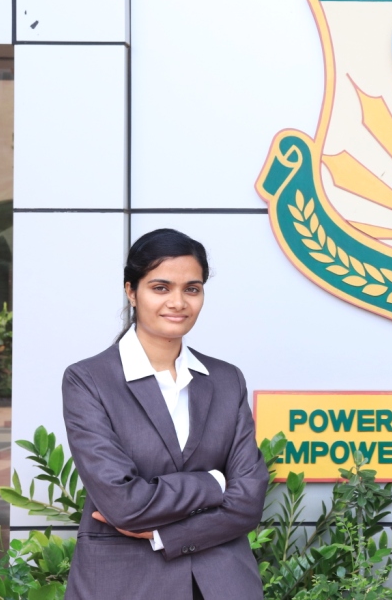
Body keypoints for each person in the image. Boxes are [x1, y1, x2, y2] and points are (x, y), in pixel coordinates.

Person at [62, 229, 269, 600]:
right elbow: (124, 503)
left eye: (192, 289)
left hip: (223, 583)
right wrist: (215, 483)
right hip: (126, 584)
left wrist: (165, 534)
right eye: (161, 288)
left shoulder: (226, 379)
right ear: (131, 291)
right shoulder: (88, 380)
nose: (178, 302)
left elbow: (248, 503)